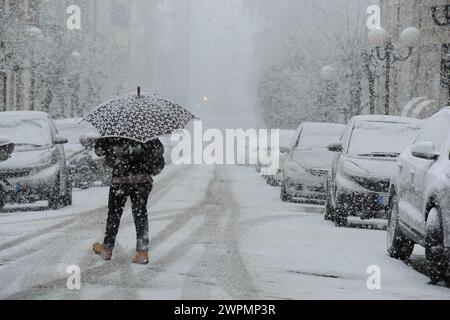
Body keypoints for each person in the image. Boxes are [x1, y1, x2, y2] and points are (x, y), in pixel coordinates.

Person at [92, 137, 165, 265]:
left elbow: (99, 150)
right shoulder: (147, 133)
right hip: (141, 180)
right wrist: (147, 168)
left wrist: (106, 143)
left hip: (120, 180)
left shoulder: (115, 133)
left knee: (114, 214)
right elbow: (159, 159)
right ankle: (142, 252)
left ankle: (107, 248)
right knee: (140, 213)